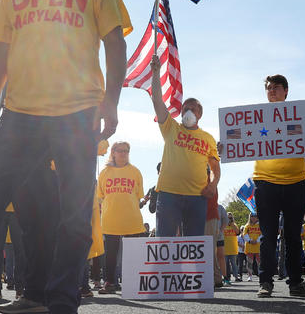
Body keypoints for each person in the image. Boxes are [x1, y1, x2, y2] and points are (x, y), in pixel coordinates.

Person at [0, 0, 132, 312]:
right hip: (19, 114)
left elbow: (115, 42)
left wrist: (111, 100)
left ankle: (62, 301)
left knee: (75, 214)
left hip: (78, 113)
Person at [253, 74, 305, 298]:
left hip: (295, 182)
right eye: (269, 88)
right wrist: (227, 146)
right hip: (265, 182)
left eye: (277, 87)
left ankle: (296, 283)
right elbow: (241, 141)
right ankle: (265, 282)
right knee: (267, 236)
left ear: (286, 91)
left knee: (292, 236)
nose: (272, 91)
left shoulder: (299, 116)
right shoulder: (255, 117)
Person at [150, 55, 220, 237]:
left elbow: (214, 167)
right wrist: (155, 73)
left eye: (193, 109)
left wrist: (213, 184)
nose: (188, 111)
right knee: (164, 242)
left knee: (193, 245)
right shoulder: (171, 127)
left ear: (200, 114)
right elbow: (157, 102)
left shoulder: (208, 138)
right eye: (185, 109)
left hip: (196, 198)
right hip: (168, 195)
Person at [96, 142, 146, 294]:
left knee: (132, 253)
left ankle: (133, 283)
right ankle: (110, 283)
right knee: (110, 254)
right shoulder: (104, 172)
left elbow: (138, 196)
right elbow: (100, 196)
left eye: (126, 151)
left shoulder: (135, 172)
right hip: (111, 219)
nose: (123, 153)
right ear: (113, 152)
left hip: (132, 218)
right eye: (120, 151)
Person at [243, 214, 261, 282]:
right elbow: (244, 234)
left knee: (259, 262)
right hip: (249, 246)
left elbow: (262, 234)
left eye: (255, 216)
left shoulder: (260, 225)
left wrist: (257, 240)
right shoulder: (247, 226)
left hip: (258, 246)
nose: (253, 218)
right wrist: (250, 240)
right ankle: (250, 276)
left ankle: (260, 274)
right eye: (252, 216)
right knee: (249, 262)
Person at [223, 212, 241, 283]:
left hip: (233, 247)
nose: (229, 219)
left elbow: (237, 232)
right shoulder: (223, 225)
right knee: (226, 263)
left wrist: (232, 224)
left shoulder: (234, 225)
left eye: (230, 218)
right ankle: (227, 277)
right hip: (225, 248)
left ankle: (236, 277)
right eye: (228, 218)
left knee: (234, 263)